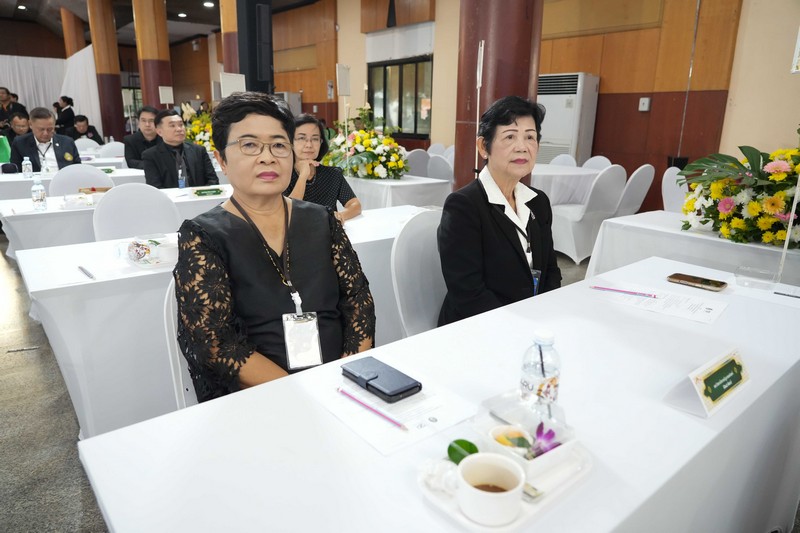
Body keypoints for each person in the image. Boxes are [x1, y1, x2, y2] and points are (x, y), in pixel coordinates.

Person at [174, 91, 375, 402]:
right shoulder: (203, 235)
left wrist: (348, 374)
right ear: (221, 160)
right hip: (262, 396)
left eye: (279, 145)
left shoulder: (323, 219)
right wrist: (306, 394)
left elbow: (358, 301)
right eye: (249, 145)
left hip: (341, 383)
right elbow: (216, 343)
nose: (267, 157)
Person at [437, 96, 561, 326]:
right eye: (510, 136)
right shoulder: (463, 206)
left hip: (534, 321)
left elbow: (551, 272)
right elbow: (468, 294)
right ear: (484, 147)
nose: (522, 147)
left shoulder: (538, 202)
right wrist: (518, 326)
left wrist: (544, 314)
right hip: (478, 327)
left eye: (530, 137)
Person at [284, 114, 362, 222]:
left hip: (328, 232)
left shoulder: (333, 174)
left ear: (321, 142)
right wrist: (303, 175)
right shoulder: (282, 176)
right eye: (302, 138)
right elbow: (288, 213)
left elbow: (355, 205)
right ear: (290, 143)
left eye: (315, 139)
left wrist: (340, 216)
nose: (309, 144)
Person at [142, 109, 218, 189]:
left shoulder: (199, 151)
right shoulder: (151, 155)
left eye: (181, 125)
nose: (179, 129)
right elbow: (155, 188)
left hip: (199, 195)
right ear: (159, 131)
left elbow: (213, 180)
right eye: (172, 126)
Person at [10, 106, 81, 172]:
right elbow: (16, 171)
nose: (45, 133)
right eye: (41, 129)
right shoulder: (20, 143)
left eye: (50, 129)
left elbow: (77, 168)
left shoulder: (67, 142)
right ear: (30, 124)